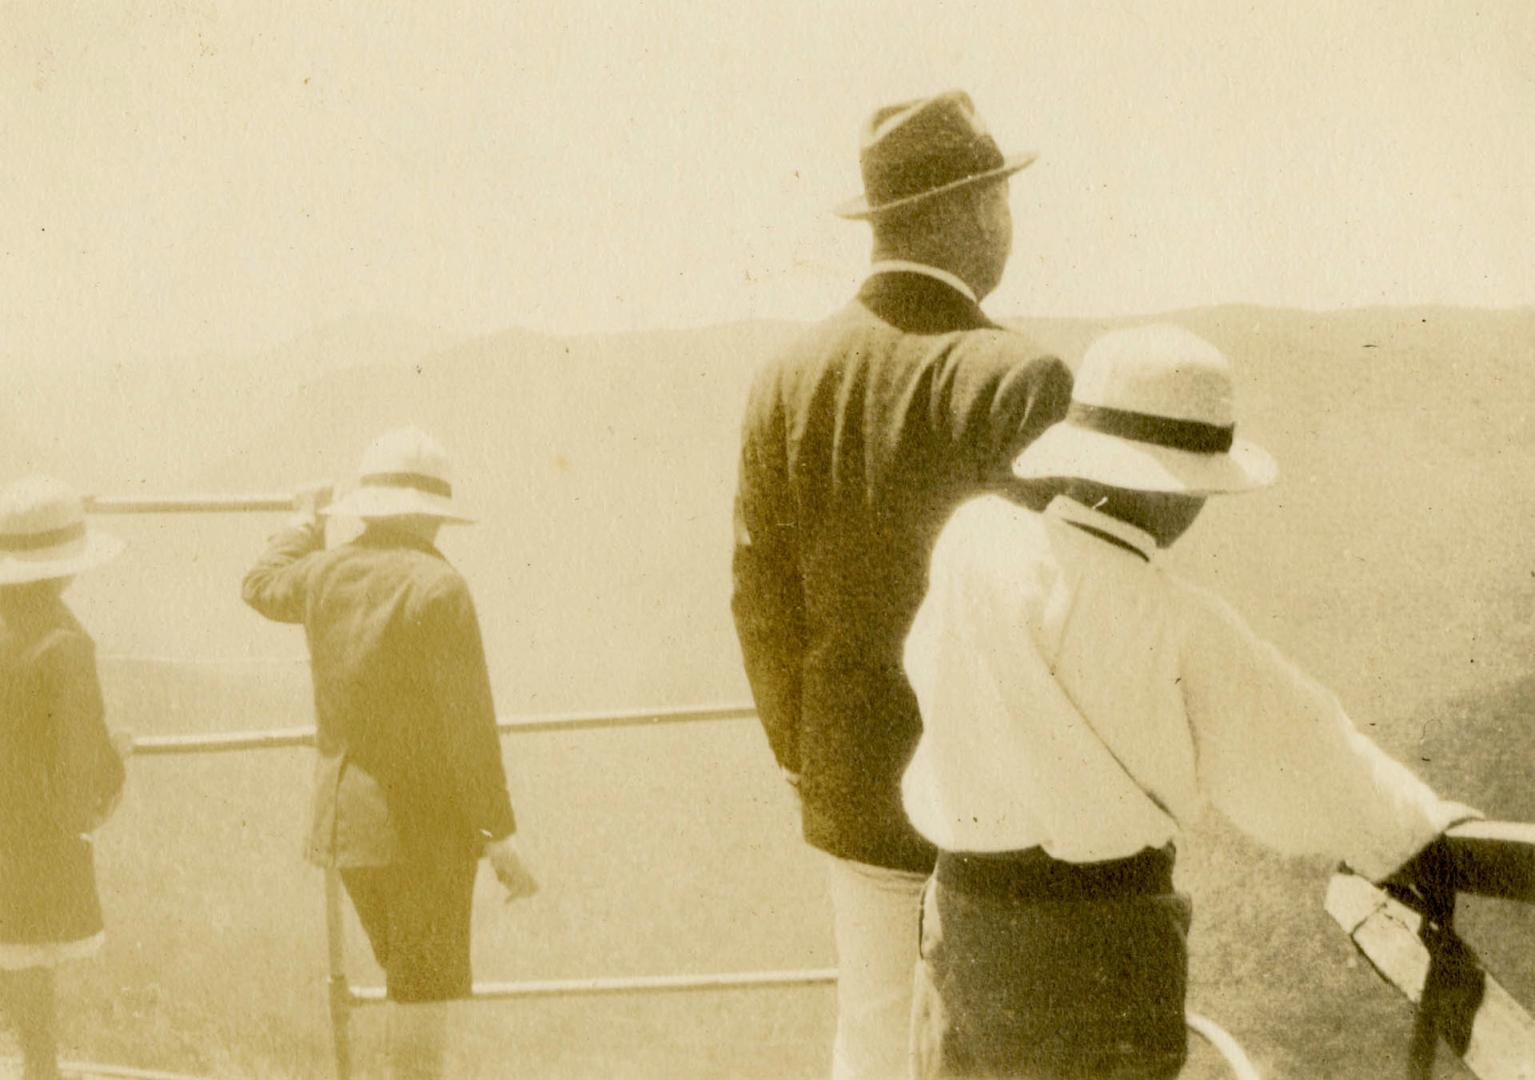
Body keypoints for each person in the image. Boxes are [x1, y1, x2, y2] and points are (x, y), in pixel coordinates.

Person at [900, 324, 1478, 1078]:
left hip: (961, 924)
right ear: (1173, 490)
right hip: (1097, 950)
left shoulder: (970, 543)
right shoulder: (1176, 624)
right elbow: (1304, 754)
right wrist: (1420, 828)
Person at [730, 90, 1072, 1080]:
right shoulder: (1019, 377)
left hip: (848, 777)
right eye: (1001, 200)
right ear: (972, 211)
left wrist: (802, 750)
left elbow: (758, 596)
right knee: (1004, 1051)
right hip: (994, 801)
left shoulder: (785, 377)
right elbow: (1050, 619)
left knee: (875, 1043)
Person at [241, 427, 537, 1080]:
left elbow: (261, 584)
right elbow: (469, 729)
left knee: (405, 988)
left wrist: (301, 524)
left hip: (347, 833)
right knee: (420, 1014)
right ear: (432, 513)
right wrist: (499, 837)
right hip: (424, 837)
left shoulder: (323, 572)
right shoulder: (439, 587)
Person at [0, 475, 131, 1080]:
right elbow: (82, 789)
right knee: (27, 944)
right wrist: (117, 758)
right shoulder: (65, 645)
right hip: (26, 851)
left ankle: (39, 1063)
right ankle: (41, 1067)